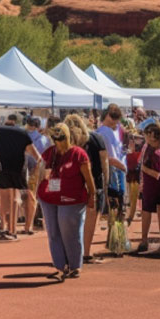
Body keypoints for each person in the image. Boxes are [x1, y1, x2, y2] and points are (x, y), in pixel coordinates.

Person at [35, 123, 96, 281]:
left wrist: (92, 195)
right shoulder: (50, 153)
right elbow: (39, 172)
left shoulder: (78, 154)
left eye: (61, 138)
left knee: (69, 230)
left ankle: (75, 265)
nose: (58, 141)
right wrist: (35, 188)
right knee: (53, 232)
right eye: (55, 138)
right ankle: (61, 266)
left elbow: (89, 178)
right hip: (49, 197)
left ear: (68, 137)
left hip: (72, 199)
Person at [0, 113, 40, 239]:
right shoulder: (22, 133)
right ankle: (13, 230)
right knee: (15, 196)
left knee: (4, 196)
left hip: (2, 167)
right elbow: (36, 155)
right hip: (19, 168)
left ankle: (5, 227)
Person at [62, 114, 106, 264]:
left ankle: (70, 254)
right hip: (94, 183)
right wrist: (107, 184)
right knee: (90, 220)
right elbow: (104, 161)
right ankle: (85, 253)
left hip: (70, 184)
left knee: (70, 221)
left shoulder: (64, 141)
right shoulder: (96, 138)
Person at [136, 123, 160, 255]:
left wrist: (144, 170)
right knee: (150, 212)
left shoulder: (157, 152)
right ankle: (147, 241)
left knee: (157, 212)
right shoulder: (149, 148)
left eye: (150, 135)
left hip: (156, 186)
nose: (148, 137)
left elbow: (157, 173)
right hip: (151, 186)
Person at [22, 116, 50, 235]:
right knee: (42, 196)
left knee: (28, 197)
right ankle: (42, 223)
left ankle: (29, 225)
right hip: (42, 169)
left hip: (26, 169)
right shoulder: (45, 139)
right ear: (39, 127)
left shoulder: (23, 135)